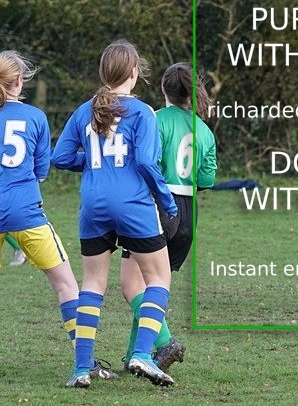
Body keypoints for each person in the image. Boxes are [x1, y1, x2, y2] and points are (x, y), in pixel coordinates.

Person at [52, 40, 178, 388]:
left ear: (103, 72)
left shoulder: (84, 110)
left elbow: (60, 158)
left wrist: (95, 162)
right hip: (132, 204)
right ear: (134, 72)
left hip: (93, 204)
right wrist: (167, 202)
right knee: (158, 278)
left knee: (92, 284)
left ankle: (81, 369)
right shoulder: (143, 111)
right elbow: (146, 162)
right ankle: (142, 354)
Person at [0, 50, 117, 380]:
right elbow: (41, 173)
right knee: (67, 286)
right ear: (19, 81)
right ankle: (86, 361)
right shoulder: (35, 117)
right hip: (26, 215)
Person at [118, 62, 217, 373]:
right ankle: (135, 356)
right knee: (152, 286)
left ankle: (165, 342)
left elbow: (147, 164)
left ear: (163, 88)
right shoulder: (204, 130)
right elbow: (207, 179)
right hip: (188, 211)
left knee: (131, 285)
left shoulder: (155, 119)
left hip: (157, 206)